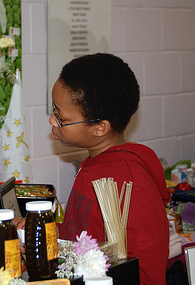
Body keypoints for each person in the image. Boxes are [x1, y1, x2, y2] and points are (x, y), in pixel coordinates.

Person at [49, 53, 170, 285]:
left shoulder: (130, 185)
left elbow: (146, 275)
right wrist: (47, 230)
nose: (52, 121)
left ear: (100, 128)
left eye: (61, 117)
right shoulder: (95, 163)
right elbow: (85, 234)